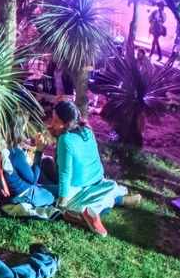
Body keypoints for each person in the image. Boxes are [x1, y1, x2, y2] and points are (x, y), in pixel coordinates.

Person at [42, 101, 138, 236]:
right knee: (110, 188)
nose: (52, 123)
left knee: (62, 197)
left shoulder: (65, 139)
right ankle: (120, 199)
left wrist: (62, 201)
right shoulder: (87, 131)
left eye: (56, 120)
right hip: (97, 180)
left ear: (67, 123)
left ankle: (89, 214)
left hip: (79, 186)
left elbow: (65, 173)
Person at [3, 116, 55, 210]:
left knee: (52, 184)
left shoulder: (9, 148)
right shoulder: (15, 153)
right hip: (26, 194)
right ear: (19, 128)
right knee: (57, 192)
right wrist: (39, 151)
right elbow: (33, 180)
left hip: (25, 190)